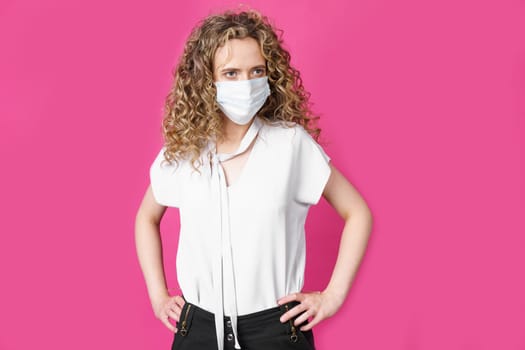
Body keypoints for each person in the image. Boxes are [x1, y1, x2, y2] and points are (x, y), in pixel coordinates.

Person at [135, 8, 373, 350]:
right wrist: (159, 296)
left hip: (275, 330)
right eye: (230, 73)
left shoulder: (290, 145)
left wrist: (332, 295)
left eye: (256, 71)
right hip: (198, 329)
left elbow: (358, 213)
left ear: (268, 76)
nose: (245, 84)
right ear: (207, 80)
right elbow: (146, 216)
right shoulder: (186, 151)